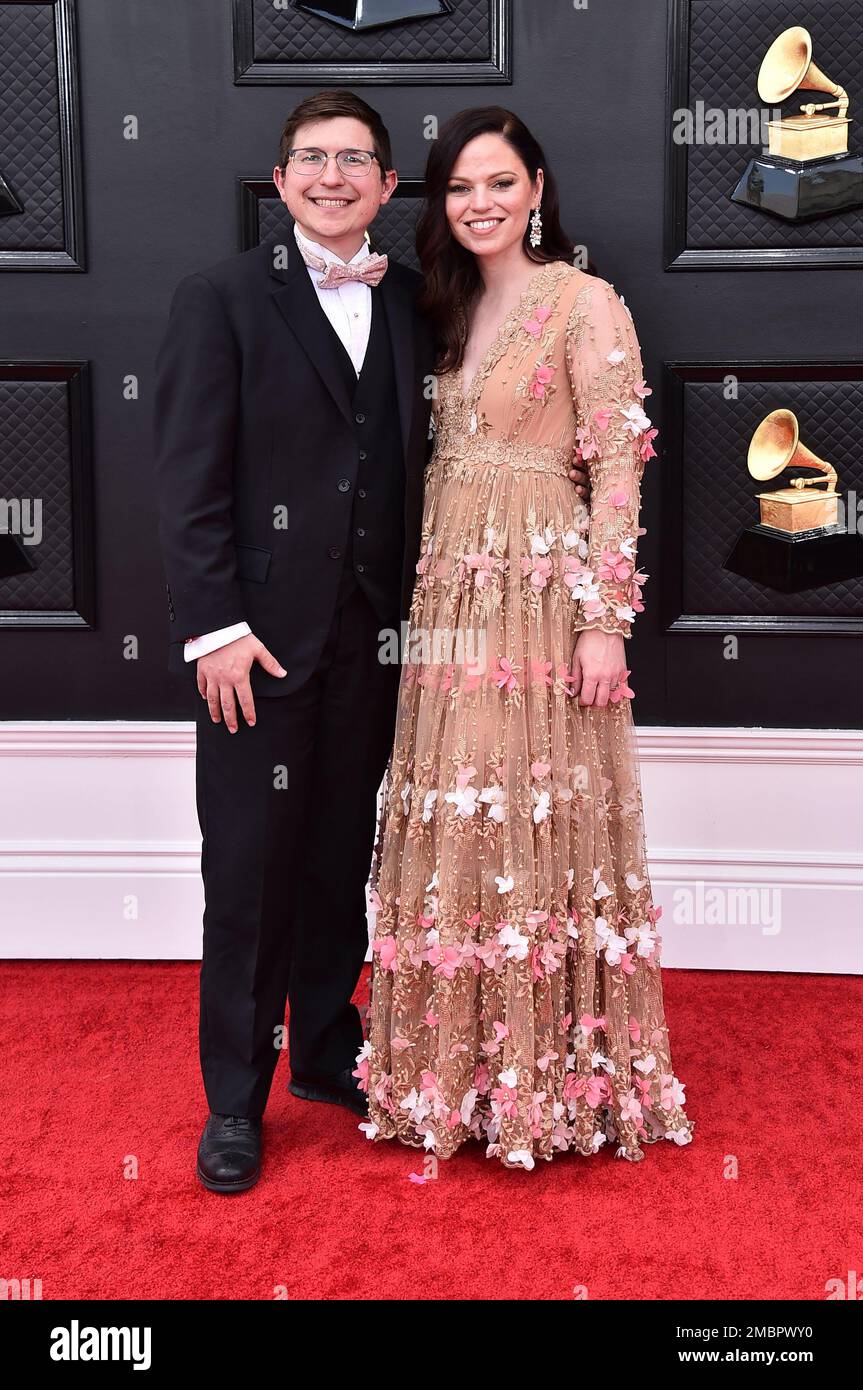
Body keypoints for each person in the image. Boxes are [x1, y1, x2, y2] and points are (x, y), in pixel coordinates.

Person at [153, 88, 597, 1193]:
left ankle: (320, 1055)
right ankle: (233, 1102)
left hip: (386, 645)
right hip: (254, 646)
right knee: (249, 871)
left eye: (357, 160)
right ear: (282, 175)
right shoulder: (217, 299)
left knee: (345, 857)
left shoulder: (414, 298)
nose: (334, 176)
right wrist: (212, 627)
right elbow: (187, 481)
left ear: (389, 187)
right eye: (313, 159)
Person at [356, 107, 695, 1169]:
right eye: (458, 188)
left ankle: (552, 1079)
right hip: (448, 597)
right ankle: (447, 1074)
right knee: (461, 815)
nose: (480, 204)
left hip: (541, 601)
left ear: (536, 187)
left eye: (498, 182)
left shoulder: (582, 301)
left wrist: (603, 623)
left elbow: (619, 467)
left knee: (534, 817)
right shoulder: (437, 305)